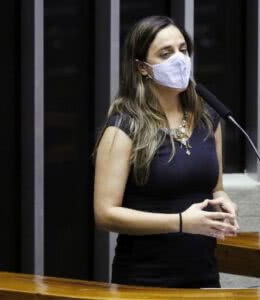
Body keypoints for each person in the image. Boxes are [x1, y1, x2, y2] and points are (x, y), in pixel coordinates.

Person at [92, 15, 239, 289]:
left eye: (183, 50)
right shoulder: (124, 127)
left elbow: (216, 187)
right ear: (142, 67)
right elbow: (105, 214)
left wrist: (224, 204)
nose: (180, 59)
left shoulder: (208, 119)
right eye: (166, 53)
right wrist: (182, 222)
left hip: (204, 275)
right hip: (145, 280)